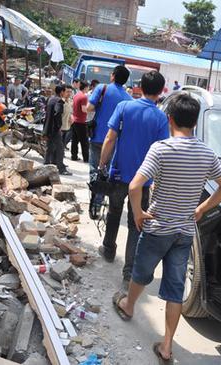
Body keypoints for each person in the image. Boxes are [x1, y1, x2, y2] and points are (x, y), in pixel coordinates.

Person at [112, 93, 221, 363]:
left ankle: (128, 306)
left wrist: (138, 214)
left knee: (141, 273)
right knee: (175, 289)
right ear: (195, 122)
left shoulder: (161, 149)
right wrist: (201, 209)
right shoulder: (207, 153)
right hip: (184, 232)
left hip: (158, 229)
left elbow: (134, 186)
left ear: (170, 119)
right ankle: (167, 346)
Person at [96, 71, 169, 285]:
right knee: (137, 222)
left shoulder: (125, 107)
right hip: (143, 180)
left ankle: (108, 249)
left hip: (118, 173)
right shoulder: (160, 118)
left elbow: (110, 138)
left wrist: (102, 163)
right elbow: (161, 150)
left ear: (139, 87)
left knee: (114, 212)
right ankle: (129, 272)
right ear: (161, 90)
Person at [86, 66, 132, 219]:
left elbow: (89, 108)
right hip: (114, 141)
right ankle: (99, 204)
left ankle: (94, 204)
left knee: (95, 169)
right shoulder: (128, 99)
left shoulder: (102, 88)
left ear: (112, 76)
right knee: (106, 173)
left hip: (97, 136)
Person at [43, 85, 71, 176]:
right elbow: (58, 113)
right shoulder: (59, 101)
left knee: (49, 147)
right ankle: (61, 169)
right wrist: (59, 126)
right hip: (55, 129)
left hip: (48, 127)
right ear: (62, 92)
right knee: (60, 148)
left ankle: (46, 165)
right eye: (65, 91)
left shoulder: (51, 99)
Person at [71, 81, 90, 162]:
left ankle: (74, 156)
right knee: (84, 141)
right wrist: (90, 110)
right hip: (81, 121)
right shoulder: (84, 97)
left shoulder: (76, 95)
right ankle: (86, 158)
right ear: (85, 87)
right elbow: (83, 109)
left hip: (74, 120)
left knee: (74, 140)